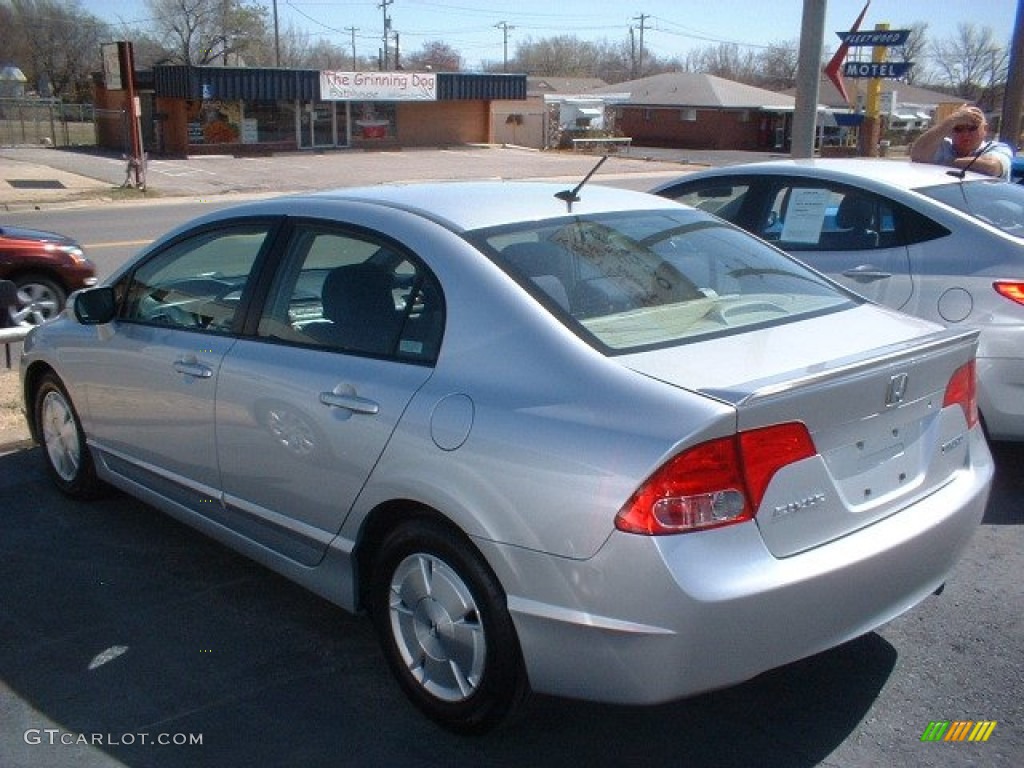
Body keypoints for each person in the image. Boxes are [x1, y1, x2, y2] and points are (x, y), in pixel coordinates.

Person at [910, 104, 1013, 180]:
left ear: (985, 129)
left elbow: (991, 167)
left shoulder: (998, 148)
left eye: (972, 128)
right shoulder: (943, 146)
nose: (965, 134)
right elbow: (916, 155)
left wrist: (942, 163)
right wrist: (952, 120)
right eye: (958, 129)